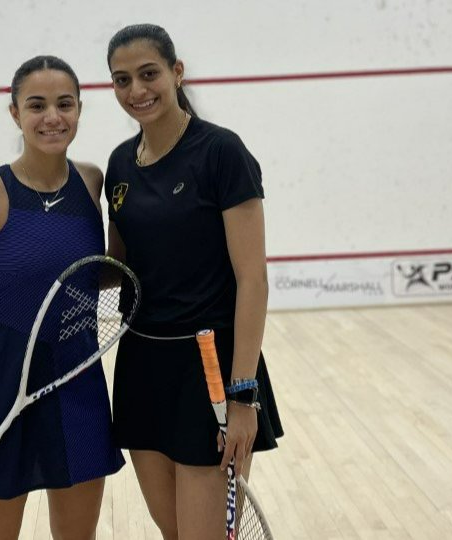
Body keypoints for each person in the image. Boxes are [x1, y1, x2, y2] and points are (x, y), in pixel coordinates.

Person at [0, 55, 123, 539]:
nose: (51, 117)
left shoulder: (92, 182)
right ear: (15, 113)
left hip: (77, 383)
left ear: (80, 109)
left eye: (64, 104)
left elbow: (84, 276)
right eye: (36, 105)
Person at [103, 24, 284, 539]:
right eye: (122, 80)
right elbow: (117, 268)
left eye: (148, 74)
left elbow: (253, 280)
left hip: (210, 370)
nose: (136, 90)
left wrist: (243, 397)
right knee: (174, 533)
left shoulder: (221, 153)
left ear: (176, 72)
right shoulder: (120, 163)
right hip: (141, 365)